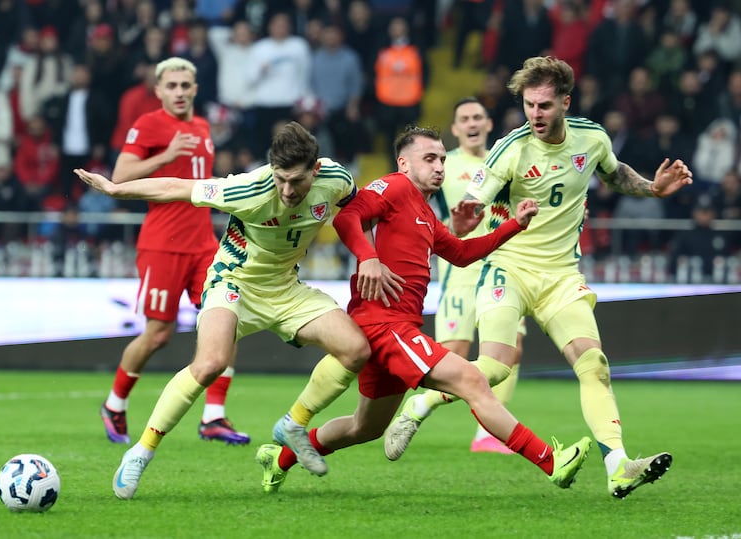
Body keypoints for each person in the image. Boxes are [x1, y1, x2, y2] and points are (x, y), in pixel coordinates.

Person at [385, 56, 692, 499]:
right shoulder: (511, 149)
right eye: (529, 105)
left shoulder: (592, 138)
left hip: (562, 276)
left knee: (595, 365)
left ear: (565, 102)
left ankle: (618, 465)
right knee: (491, 368)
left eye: (545, 105)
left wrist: (652, 187)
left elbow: (615, 173)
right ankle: (419, 404)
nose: (535, 114)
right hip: (507, 269)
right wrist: (466, 220)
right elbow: (472, 205)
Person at [254, 125, 592, 494]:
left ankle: (279, 458)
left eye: (443, 159)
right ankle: (551, 461)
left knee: (364, 428)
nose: (439, 167)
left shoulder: (425, 214)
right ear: (403, 163)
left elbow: (461, 255)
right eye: (429, 159)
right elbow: (346, 218)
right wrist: (368, 257)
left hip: (391, 328)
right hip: (385, 325)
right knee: (472, 380)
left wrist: (514, 225)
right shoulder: (395, 188)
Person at [74, 121, 374, 500]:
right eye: (280, 178)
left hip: (286, 289)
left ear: (315, 170)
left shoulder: (336, 178)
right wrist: (117, 189)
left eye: (295, 181)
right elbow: (174, 187)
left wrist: (372, 255)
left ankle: (293, 424)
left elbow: (361, 209)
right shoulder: (248, 188)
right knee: (210, 363)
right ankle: (141, 452)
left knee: (356, 350)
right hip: (232, 284)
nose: (286, 190)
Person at [98, 57, 248, 448]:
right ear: (159, 90)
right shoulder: (148, 125)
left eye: (186, 85)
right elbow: (120, 178)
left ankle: (214, 416)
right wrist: (165, 156)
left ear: (195, 89)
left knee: (226, 320)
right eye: (172, 86)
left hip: (203, 244)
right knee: (158, 334)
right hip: (163, 244)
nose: (179, 92)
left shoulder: (201, 127)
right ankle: (115, 403)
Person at [397, 98, 526, 455]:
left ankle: (488, 433)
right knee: (453, 353)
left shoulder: (504, 161)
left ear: (488, 124)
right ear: (455, 129)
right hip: (460, 270)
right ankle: (415, 408)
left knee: (511, 349)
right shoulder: (443, 166)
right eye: (464, 118)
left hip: (503, 266)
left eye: (478, 117)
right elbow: (423, 213)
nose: (471, 123)